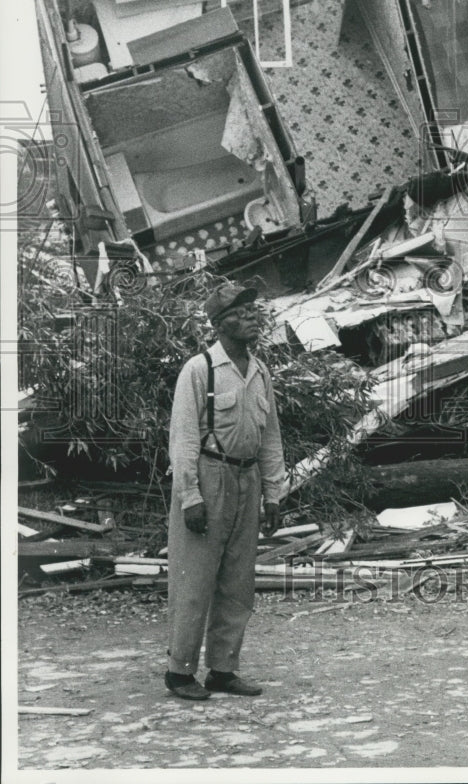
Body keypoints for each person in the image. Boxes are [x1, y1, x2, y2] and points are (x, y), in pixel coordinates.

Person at [165, 283, 286, 701]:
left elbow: (270, 437)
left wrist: (274, 494)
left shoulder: (260, 371)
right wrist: (190, 496)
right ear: (219, 324)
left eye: (253, 309)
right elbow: (182, 439)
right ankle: (179, 672)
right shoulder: (200, 370)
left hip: (247, 480)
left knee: (238, 581)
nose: (252, 316)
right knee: (194, 580)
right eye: (241, 311)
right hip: (209, 476)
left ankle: (223, 669)